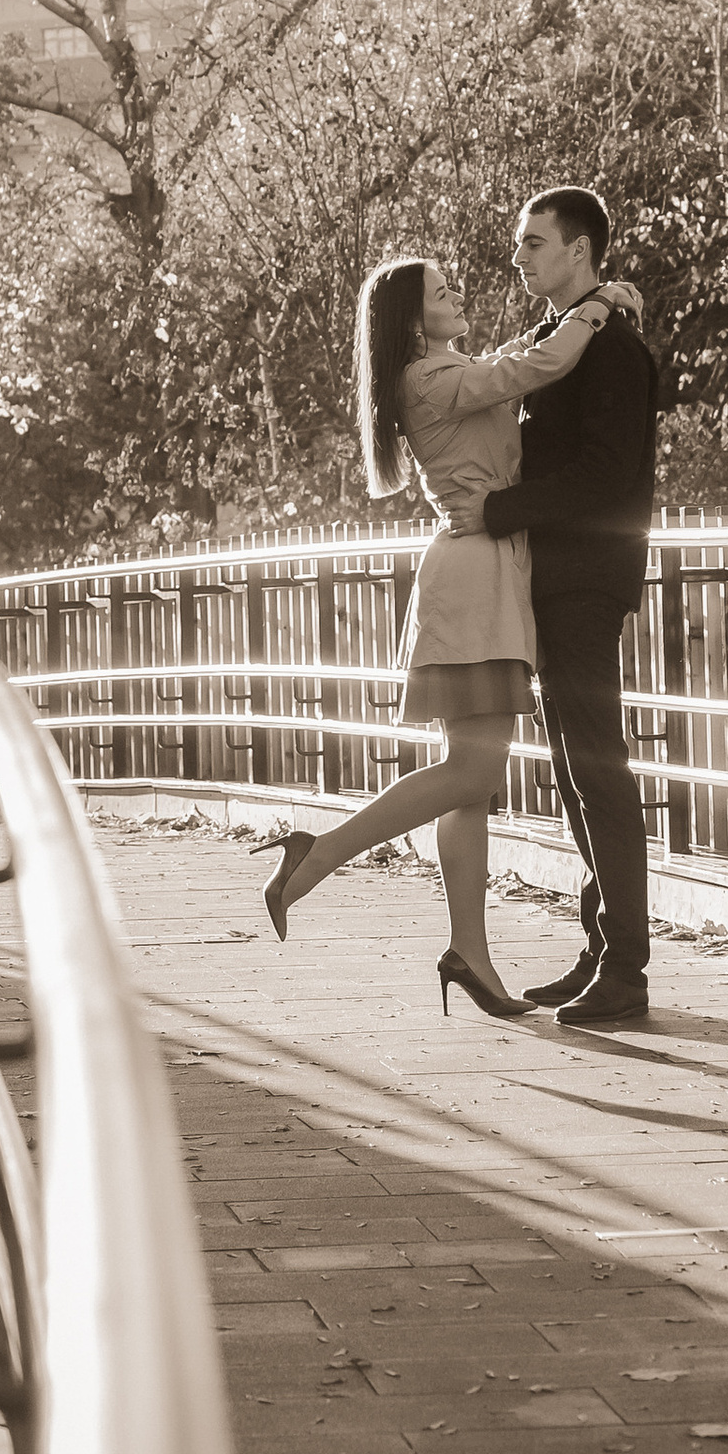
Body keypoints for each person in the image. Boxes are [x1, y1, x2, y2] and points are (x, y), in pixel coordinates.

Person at [254, 251, 618, 1017]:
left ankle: (470, 954)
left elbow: (512, 362)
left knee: (469, 779)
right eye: (441, 291)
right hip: (473, 581)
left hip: (483, 574)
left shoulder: (448, 368)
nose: (458, 294)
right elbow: (532, 369)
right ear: (411, 323)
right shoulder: (427, 379)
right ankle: (316, 854)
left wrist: (569, 322)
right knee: (474, 773)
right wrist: (596, 307)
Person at [485, 184, 661, 1028]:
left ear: (580, 251)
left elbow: (604, 473)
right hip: (556, 580)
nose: (519, 256)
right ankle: (602, 948)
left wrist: (501, 510)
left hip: (588, 581)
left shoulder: (612, 350)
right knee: (572, 769)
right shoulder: (565, 338)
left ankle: (627, 968)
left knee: (598, 767)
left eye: (533, 242)